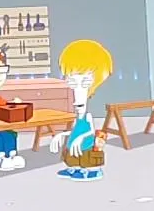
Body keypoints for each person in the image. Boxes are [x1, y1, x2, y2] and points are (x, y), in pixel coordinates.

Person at [48, 40, 114, 180]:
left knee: (85, 158)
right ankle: (73, 168)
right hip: (74, 145)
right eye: (72, 81)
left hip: (85, 146)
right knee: (72, 157)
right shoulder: (77, 116)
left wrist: (80, 138)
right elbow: (74, 130)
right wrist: (61, 135)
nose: (77, 88)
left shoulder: (87, 116)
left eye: (85, 81)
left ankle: (90, 171)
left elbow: (91, 132)